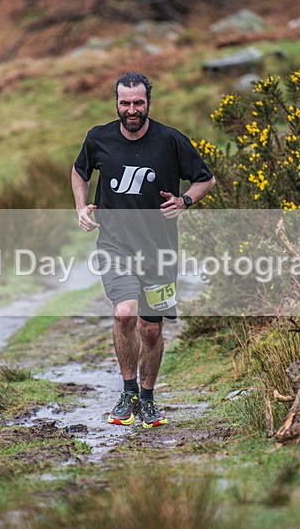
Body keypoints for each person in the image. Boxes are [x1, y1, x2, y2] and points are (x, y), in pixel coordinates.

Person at [70, 71, 216, 428]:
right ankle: (128, 392)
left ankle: (148, 399)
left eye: (138, 103)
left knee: (150, 328)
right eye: (125, 103)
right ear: (116, 103)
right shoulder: (98, 138)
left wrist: (184, 201)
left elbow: (206, 179)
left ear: (148, 102)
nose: (131, 110)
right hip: (115, 245)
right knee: (125, 314)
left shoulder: (170, 140)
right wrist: (81, 207)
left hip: (159, 250)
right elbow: (79, 172)